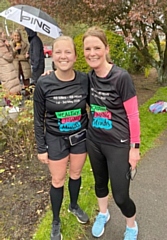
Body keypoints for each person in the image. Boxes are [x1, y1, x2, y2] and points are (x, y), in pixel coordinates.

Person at [82, 26, 140, 240]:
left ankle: (131, 226)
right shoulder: (88, 78)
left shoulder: (121, 77)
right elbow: (66, 82)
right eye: (87, 48)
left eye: (97, 47)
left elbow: (133, 115)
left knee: (121, 195)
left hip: (118, 144)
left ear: (106, 49)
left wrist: (135, 149)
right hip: (95, 141)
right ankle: (103, 214)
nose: (92, 53)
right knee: (99, 183)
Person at [33, 36, 89, 240]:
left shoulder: (85, 80)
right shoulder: (44, 82)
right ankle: (56, 220)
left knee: (75, 174)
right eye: (58, 52)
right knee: (57, 180)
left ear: (75, 56)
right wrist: (41, 147)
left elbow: (96, 104)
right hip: (55, 139)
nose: (63, 56)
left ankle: (73, 206)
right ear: (52, 56)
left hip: (80, 138)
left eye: (68, 52)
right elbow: (38, 118)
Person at [0, 29, 22, 94]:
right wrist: (9, 47)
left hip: (6, 70)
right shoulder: (1, 45)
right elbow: (9, 57)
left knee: (10, 88)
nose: (5, 34)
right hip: (7, 71)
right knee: (10, 89)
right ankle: (11, 103)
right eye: (4, 33)